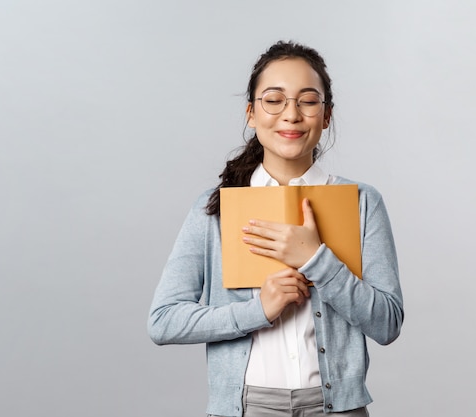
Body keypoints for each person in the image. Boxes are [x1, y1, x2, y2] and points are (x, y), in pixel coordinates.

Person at [148, 40, 404, 417]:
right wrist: (259, 309)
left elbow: (387, 323)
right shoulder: (215, 208)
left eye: (308, 100)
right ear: (251, 112)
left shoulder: (362, 202)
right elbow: (163, 322)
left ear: (326, 115)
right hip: (246, 408)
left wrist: (318, 260)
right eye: (274, 99)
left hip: (337, 409)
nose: (291, 114)